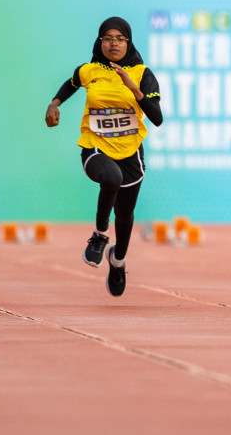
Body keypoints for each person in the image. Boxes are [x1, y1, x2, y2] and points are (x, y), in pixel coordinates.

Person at [45, 18, 163, 297]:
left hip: (130, 152)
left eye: (120, 39)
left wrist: (133, 89)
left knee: (125, 215)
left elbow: (157, 118)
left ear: (128, 43)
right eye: (107, 38)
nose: (113, 43)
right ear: (100, 42)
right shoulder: (88, 71)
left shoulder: (143, 74)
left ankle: (118, 260)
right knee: (111, 178)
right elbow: (70, 84)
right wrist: (54, 103)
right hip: (95, 147)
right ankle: (99, 236)